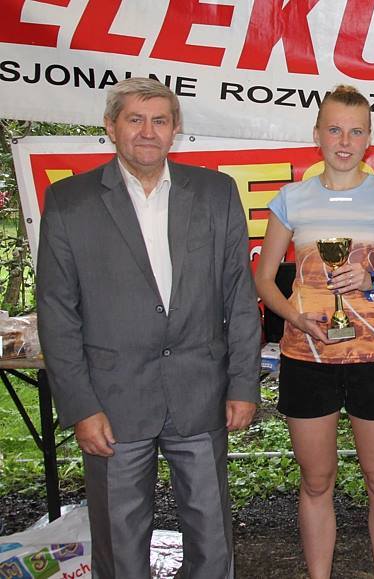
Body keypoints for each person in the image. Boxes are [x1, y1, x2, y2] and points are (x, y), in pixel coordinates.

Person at [36, 77, 261, 578]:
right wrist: (81, 406)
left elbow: (239, 298)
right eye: (134, 119)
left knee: (212, 540)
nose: (147, 131)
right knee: (119, 545)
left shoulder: (216, 193)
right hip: (111, 402)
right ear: (110, 126)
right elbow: (57, 312)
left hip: (200, 393)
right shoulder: (69, 201)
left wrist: (243, 384)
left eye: (159, 121)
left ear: (175, 129)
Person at [254, 85, 374, 579]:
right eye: (334, 130)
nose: (344, 141)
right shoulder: (291, 199)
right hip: (307, 358)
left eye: (355, 131)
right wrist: (294, 317)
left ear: (369, 138)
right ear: (317, 135)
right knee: (315, 482)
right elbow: (263, 279)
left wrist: (373, 279)